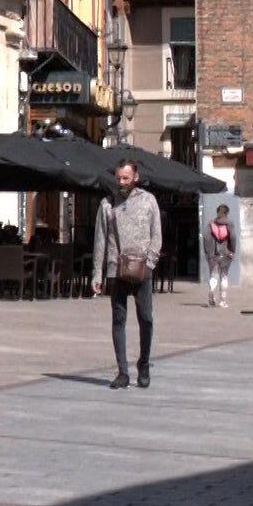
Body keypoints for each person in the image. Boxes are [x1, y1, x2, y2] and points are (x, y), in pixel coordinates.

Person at [92, 159, 161, 390]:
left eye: (126, 178)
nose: (122, 182)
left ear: (136, 178)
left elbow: (157, 235)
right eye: (119, 178)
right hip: (116, 269)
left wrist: (150, 262)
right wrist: (97, 274)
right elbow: (100, 240)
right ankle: (122, 371)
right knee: (118, 319)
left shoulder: (148, 201)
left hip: (142, 269)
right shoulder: (107, 204)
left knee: (147, 318)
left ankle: (144, 364)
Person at [205, 204, 236, 308]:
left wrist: (209, 253)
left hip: (213, 254)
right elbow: (233, 238)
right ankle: (222, 301)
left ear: (217, 212)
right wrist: (232, 251)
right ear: (227, 213)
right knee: (224, 276)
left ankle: (211, 291)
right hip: (226, 254)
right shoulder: (229, 224)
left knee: (213, 275)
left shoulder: (210, 224)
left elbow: (206, 238)